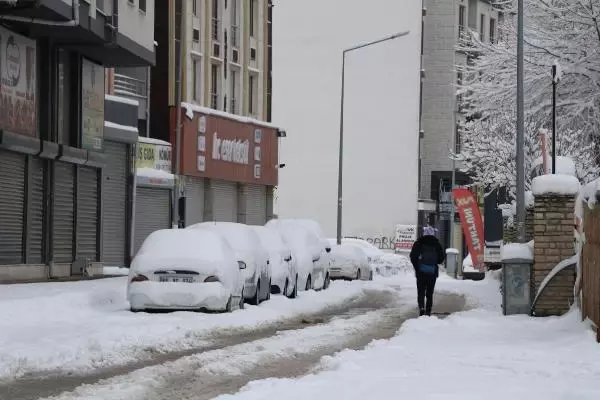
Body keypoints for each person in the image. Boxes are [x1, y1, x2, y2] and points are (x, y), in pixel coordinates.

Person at [410, 231, 445, 316]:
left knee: (421, 292)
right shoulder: (436, 244)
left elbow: (413, 256)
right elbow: (441, 258)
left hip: (420, 273)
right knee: (430, 293)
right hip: (432, 273)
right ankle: (428, 311)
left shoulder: (419, 243)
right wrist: (434, 263)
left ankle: (422, 308)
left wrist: (417, 268)